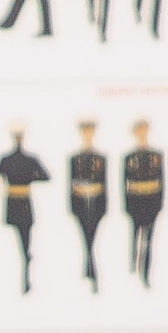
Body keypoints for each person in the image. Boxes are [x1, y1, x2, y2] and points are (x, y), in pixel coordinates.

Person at [0, 130, 48, 294]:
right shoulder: (23, 159)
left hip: (17, 201)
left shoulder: (9, 159)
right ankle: (26, 265)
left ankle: (26, 273)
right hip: (19, 201)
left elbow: (46, 176)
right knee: (23, 239)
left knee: (25, 238)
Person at [122, 121, 164, 285]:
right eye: (139, 131)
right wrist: (126, 205)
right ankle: (134, 264)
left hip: (152, 200)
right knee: (135, 235)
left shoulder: (156, 155)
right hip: (135, 200)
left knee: (149, 239)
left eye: (144, 130)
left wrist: (160, 204)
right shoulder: (129, 157)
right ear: (134, 133)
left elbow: (162, 180)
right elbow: (124, 182)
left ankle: (146, 274)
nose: (142, 134)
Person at [67, 121, 107, 290]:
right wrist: (71, 206)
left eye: (90, 131)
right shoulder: (74, 158)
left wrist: (106, 206)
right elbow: (70, 183)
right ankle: (92, 271)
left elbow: (105, 183)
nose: (88, 134)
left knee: (91, 235)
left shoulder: (101, 158)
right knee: (86, 234)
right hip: (80, 201)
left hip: (97, 201)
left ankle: (88, 267)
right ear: (81, 133)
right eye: (85, 132)